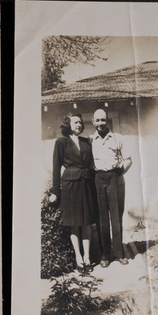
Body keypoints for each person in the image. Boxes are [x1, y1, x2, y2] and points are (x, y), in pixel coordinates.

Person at [51, 113, 97, 270]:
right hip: (71, 186)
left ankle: (87, 257)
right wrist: (55, 191)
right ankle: (78, 258)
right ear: (68, 125)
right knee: (74, 223)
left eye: (80, 122)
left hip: (86, 184)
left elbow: (91, 165)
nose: (79, 124)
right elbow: (56, 167)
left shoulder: (86, 142)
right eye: (76, 122)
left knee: (87, 222)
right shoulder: (61, 142)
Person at [90, 108, 132, 267]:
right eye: (97, 120)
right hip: (98, 179)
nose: (100, 123)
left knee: (116, 217)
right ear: (93, 122)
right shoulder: (90, 140)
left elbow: (128, 159)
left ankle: (119, 253)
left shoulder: (117, 138)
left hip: (115, 179)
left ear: (107, 121)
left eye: (103, 120)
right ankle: (106, 255)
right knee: (102, 220)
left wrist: (120, 172)